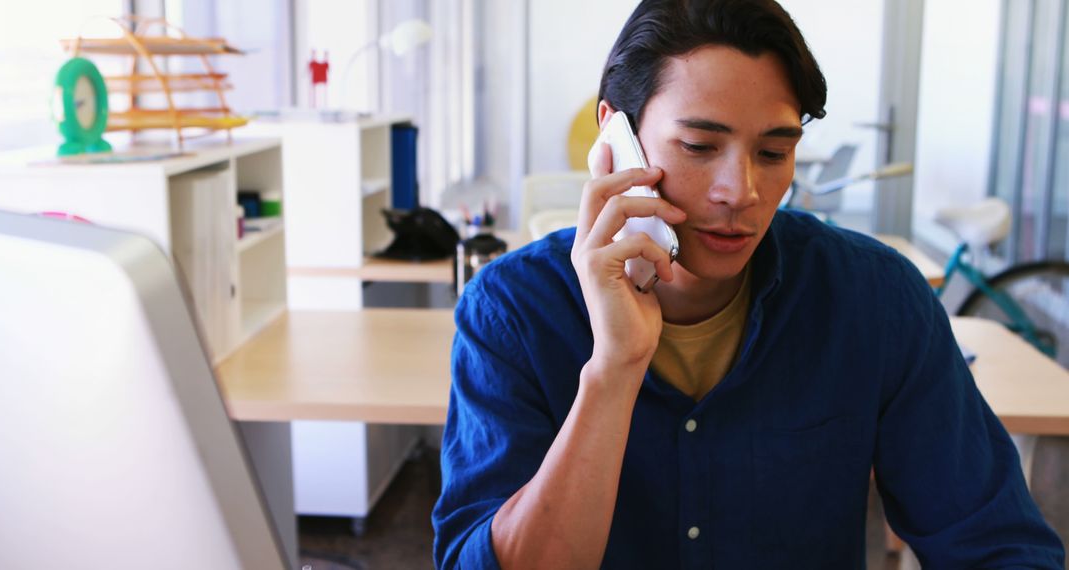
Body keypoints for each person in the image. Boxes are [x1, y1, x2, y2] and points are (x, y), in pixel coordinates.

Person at [432, 0, 1066, 567]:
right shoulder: (512, 311)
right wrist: (614, 369)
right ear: (615, 138)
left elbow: (997, 545)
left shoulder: (876, 300)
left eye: (772, 152)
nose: (743, 193)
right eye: (700, 147)